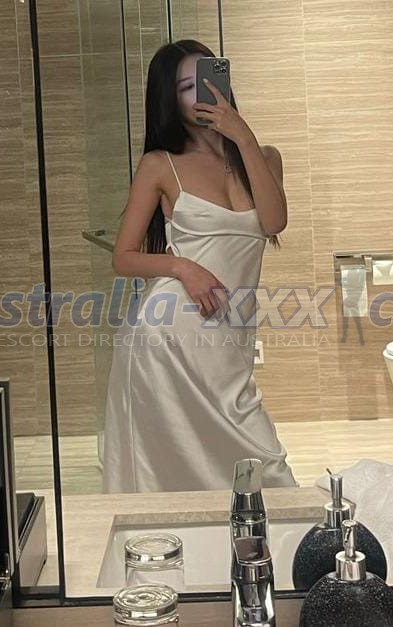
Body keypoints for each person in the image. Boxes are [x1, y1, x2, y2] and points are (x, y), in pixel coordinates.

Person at [102, 39, 298, 493]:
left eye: (207, 80)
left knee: (264, 465)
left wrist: (242, 136)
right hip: (167, 337)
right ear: (170, 101)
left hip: (229, 338)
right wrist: (182, 268)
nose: (201, 94)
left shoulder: (264, 156)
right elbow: (123, 257)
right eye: (186, 87)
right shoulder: (160, 165)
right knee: (168, 468)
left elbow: (274, 222)